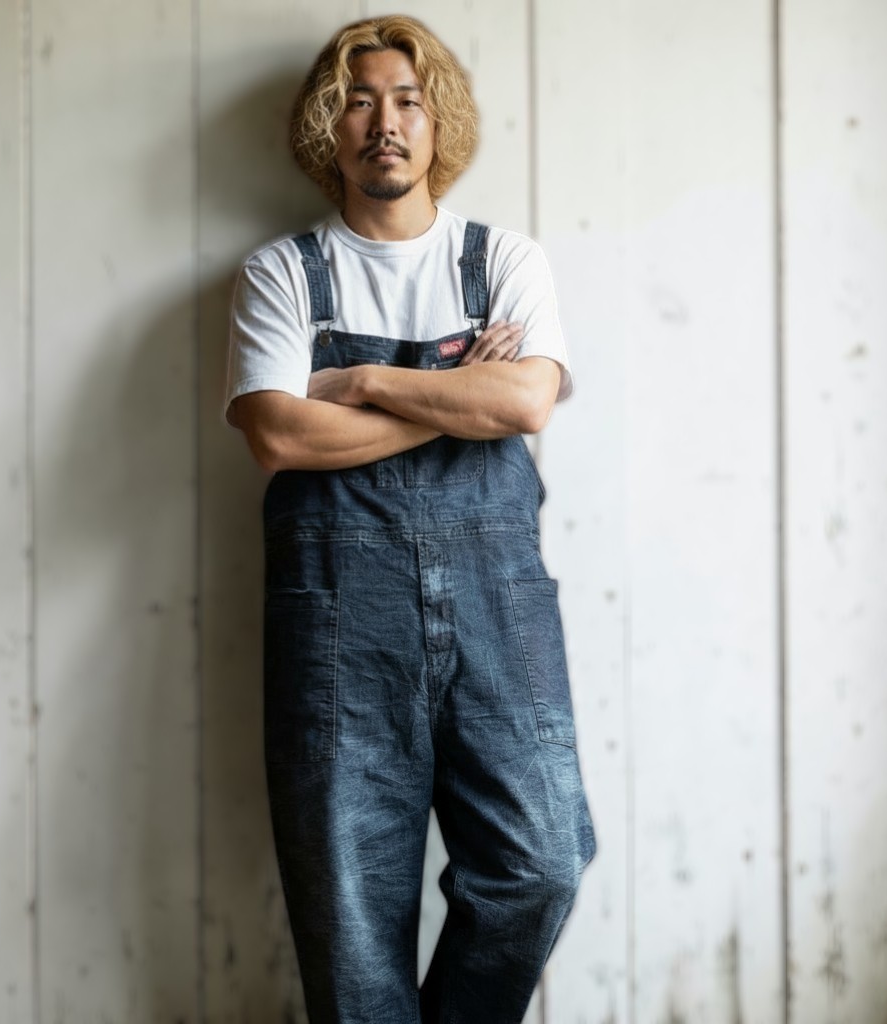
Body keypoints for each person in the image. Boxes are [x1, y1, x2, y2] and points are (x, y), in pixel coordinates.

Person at [225, 15, 596, 1023]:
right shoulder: (282, 274)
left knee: (543, 862)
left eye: (406, 100)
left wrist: (359, 383)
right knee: (349, 915)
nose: (383, 122)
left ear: (440, 123)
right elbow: (279, 435)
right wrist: (457, 393)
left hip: (496, 607)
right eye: (358, 101)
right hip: (339, 616)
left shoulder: (502, 259)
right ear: (327, 126)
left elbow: (525, 402)